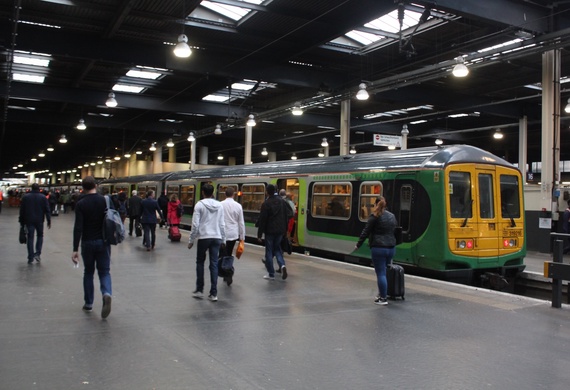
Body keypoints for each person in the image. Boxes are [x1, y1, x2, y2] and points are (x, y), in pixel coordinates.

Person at [71, 176, 113, 318]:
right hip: (103, 242)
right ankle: (106, 293)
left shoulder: (81, 203)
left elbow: (78, 228)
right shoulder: (104, 200)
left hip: (87, 242)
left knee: (88, 272)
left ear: (82, 188)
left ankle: (89, 303)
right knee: (105, 272)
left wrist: (75, 249)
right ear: (95, 185)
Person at [355, 196, 398, 306]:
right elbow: (395, 230)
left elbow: (366, 231)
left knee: (381, 273)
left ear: (376, 205)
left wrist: (358, 244)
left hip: (378, 248)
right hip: (391, 248)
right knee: (386, 271)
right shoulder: (392, 216)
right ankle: (383, 293)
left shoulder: (374, 216)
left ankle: (383, 298)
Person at [188, 184, 225, 301]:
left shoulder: (199, 205)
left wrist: (191, 240)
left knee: (200, 262)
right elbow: (222, 224)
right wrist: (223, 239)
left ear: (203, 192)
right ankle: (214, 293)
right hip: (216, 237)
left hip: (204, 237)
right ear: (213, 192)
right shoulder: (220, 205)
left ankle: (199, 290)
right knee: (214, 263)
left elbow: (195, 225)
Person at [257, 183, 289, 280]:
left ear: (267, 192)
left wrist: (259, 234)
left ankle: (271, 274)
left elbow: (263, 219)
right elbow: (286, 216)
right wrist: (285, 230)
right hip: (280, 230)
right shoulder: (282, 202)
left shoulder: (266, 203)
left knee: (269, 252)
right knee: (277, 249)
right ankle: (282, 265)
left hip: (270, 231)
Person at [19, 183, 51, 264]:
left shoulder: (26, 197)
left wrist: (21, 222)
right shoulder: (43, 197)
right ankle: (37, 254)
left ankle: (30, 257)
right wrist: (49, 220)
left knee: (30, 238)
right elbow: (47, 210)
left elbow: (22, 210)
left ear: (31, 188)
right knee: (40, 236)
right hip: (39, 221)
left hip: (29, 220)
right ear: (39, 188)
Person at [220, 187, 246, 286]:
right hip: (233, 234)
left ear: (224, 194)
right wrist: (242, 237)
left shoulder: (220, 205)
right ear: (233, 195)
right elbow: (241, 222)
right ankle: (228, 272)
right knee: (229, 253)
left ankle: (225, 273)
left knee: (222, 254)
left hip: (222, 233)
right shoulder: (238, 206)